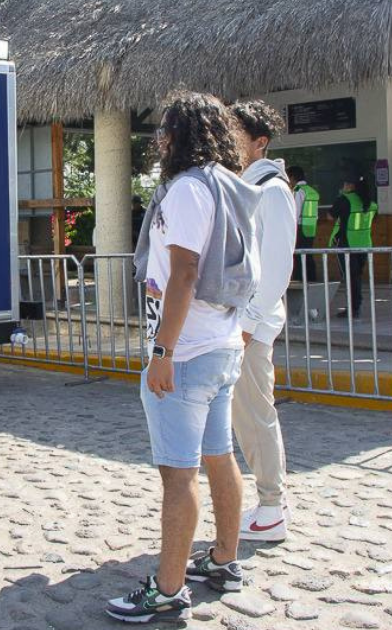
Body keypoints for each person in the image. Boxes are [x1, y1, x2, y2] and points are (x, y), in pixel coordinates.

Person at [112, 92, 259, 623]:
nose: (159, 137)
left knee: (179, 476)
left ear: (178, 134)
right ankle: (223, 560)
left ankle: (169, 588)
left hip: (189, 353)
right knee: (220, 457)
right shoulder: (224, 185)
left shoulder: (186, 191)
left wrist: (161, 353)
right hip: (219, 345)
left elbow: (186, 275)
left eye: (164, 128)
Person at [227, 100, 296, 543]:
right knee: (245, 414)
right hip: (241, 322)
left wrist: (249, 323)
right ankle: (267, 504)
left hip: (251, 324)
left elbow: (275, 268)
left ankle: (271, 506)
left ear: (259, 142)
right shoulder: (249, 185)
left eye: (236, 135)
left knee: (254, 415)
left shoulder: (271, 190)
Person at [328, 172, 376, 319]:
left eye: (345, 184)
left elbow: (330, 216)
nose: (343, 187)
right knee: (356, 277)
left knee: (350, 277)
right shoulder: (370, 203)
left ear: (350, 185)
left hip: (347, 244)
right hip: (364, 245)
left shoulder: (344, 200)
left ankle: (353, 308)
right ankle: (356, 306)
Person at [287, 166, 319, 282]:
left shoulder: (298, 191)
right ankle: (312, 280)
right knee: (309, 256)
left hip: (299, 228)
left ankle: (301, 281)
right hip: (311, 228)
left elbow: (294, 212)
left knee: (299, 258)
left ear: (292, 177)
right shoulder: (311, 191)